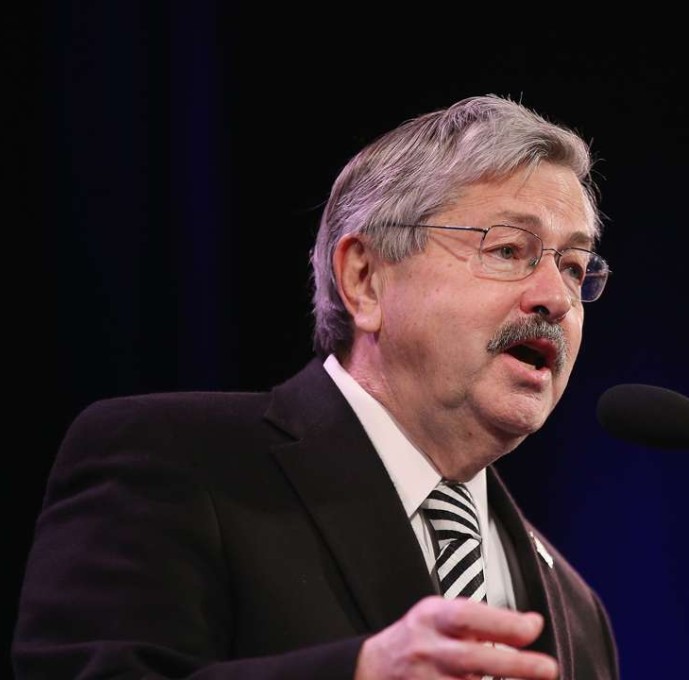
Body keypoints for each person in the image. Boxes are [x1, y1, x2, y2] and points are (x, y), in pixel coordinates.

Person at [12, 94, 619, 679]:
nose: (557, 298)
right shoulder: (172, 460)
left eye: (573, 266)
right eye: (509, 249)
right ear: (365, 279)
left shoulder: (577, 609)